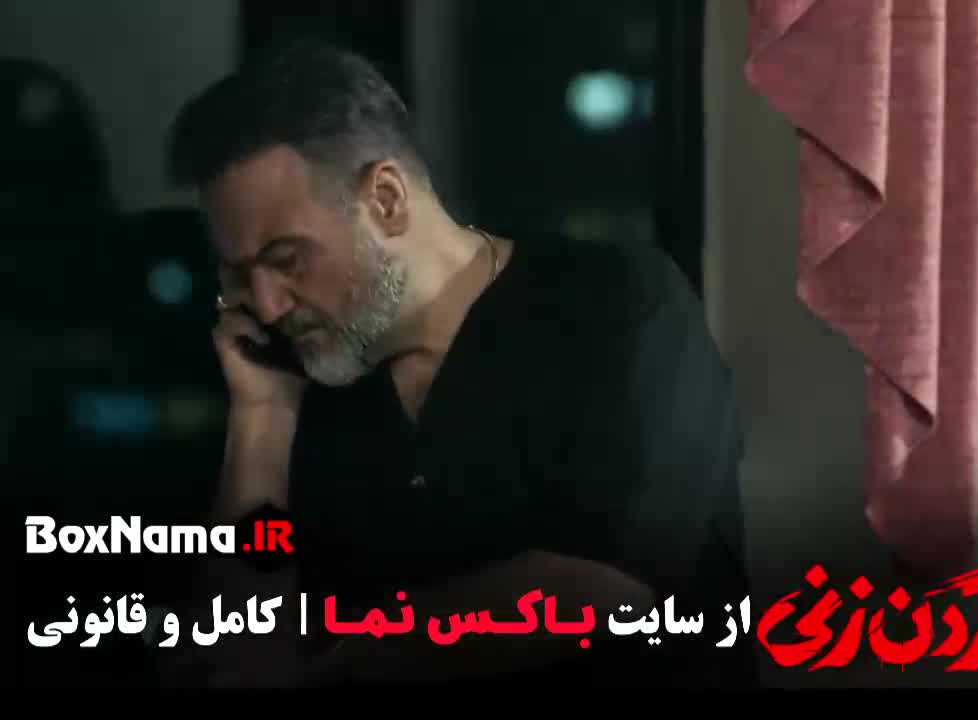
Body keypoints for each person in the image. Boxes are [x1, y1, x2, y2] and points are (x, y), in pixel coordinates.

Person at [163, 41, 758, 688]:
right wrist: (262, 420)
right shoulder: (310, 379)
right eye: (241, 273)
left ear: (386, 199)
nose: (267, 304)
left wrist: (325, 658)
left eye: (287, 259)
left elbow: (603, 591)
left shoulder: (616, 305)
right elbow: (237, 640)